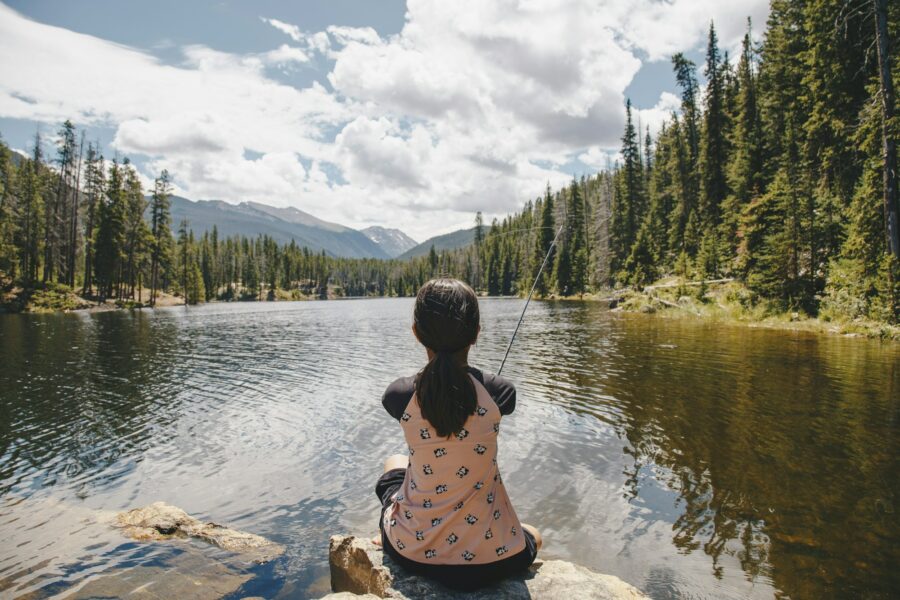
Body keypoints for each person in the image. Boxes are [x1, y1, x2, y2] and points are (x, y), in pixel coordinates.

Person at [374, 277, 542, 591]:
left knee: (394, 461)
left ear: (416, 333)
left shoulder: (398, 395)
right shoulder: (500, 392)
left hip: (413, 554)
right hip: (493, 560)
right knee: (534, 533)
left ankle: (394, 527)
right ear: (477, 333)